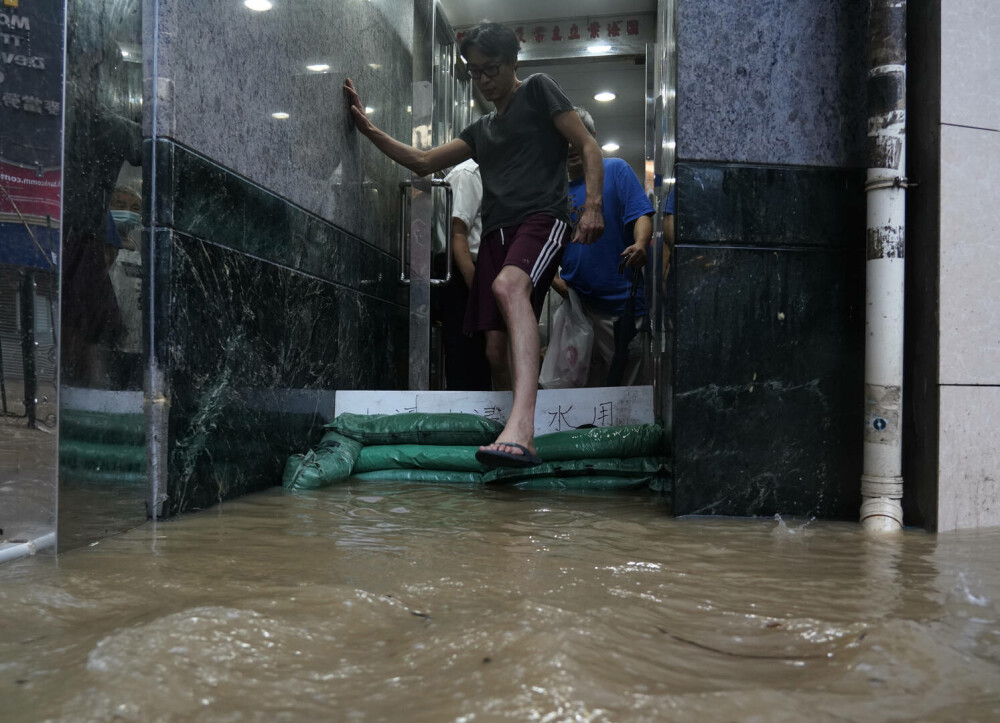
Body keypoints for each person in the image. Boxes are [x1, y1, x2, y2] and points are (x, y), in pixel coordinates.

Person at [343, 22, 604, 467]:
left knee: (508, 287)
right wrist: (368, 130)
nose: (483, 80)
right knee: (494, 349)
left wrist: (593, 205)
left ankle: (523, 430)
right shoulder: (482, 129)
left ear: (513, 62)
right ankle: (513, 440)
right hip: (499, 234)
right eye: (474, 72)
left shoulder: (540, 91)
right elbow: (423, 161)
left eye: (491, 69)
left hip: (542, 219)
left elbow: (587, 143)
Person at [552, 107, 655, 387]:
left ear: (592, 137)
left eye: (577, 136)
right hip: (577, 308)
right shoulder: (555, 191)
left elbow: (641, 215)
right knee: (579, 389)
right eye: (563, 138)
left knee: (627, 388)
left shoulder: (616, 170)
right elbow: (543, 244)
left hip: (620, 306)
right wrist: (554, 280)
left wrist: (641, 243)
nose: (571, 146)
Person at [437, 158, 492, 391]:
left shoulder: (489, 172)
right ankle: (466, 419)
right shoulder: (469, 174)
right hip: (464, 269)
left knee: (478, 357)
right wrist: (477, 290)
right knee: (465, 357)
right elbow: (457, 234)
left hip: (476, 269)